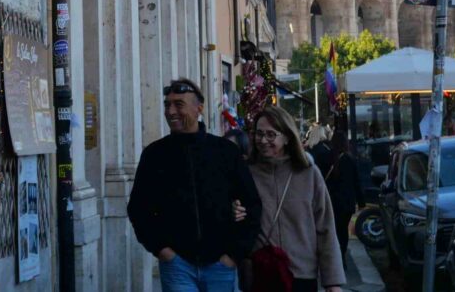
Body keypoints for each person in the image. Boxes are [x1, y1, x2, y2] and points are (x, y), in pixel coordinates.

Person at [128, 78, 262, 291]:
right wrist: (161, 249)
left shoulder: (225, 152)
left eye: (178, 104)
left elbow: (252, 204)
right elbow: (138, 208)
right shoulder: (155, 155)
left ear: (198, 108)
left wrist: (234, 254)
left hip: (220, 264)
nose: (171, 111)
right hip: (177, 265)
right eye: (167, 104)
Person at [234, 106, 344, 292]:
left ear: (286, 137)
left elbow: (325, 228)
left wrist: (332, 282)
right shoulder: (245, 173)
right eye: (259, 134)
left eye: (271, 135)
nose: (263, 140)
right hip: (261, 273)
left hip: (301, 276)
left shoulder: (308, 173)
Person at [325, 130, 363, 267]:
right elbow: (356, 182)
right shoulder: (350, 159)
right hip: (347, 202)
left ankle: (336, 256)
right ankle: (342, 256)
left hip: (332, 201)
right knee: (343, 230)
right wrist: (361, 201)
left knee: (334, 230)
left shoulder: (329, 157)